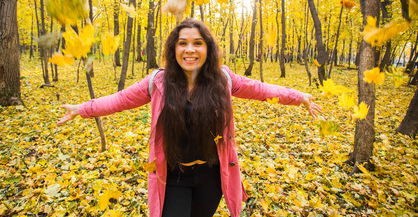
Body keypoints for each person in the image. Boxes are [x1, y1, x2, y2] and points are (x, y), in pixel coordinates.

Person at [58, 19, 322, 217]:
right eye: (183, 43)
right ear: (174, 48)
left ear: (208, 48)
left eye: (197, 43)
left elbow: (264, 90)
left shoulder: (224, 80)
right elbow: (119, 100)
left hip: (211, 176)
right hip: (173, 175)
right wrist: (82, 109)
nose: (190, 50)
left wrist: (299, 96)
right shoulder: (158, 82)